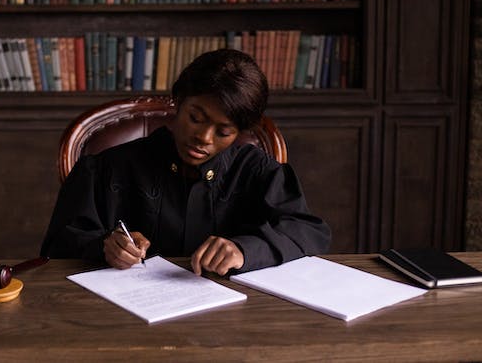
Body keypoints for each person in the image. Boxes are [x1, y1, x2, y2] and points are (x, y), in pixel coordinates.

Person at [40, 49, 331, 275]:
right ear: (177, 102)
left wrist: (245, 250)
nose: (203, 137)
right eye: (196, 117)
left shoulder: (258, 171)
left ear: (239, 132)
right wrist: (104, 246)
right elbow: (56, 248)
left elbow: (309, 232)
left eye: (223, 131)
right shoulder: (107, 168)